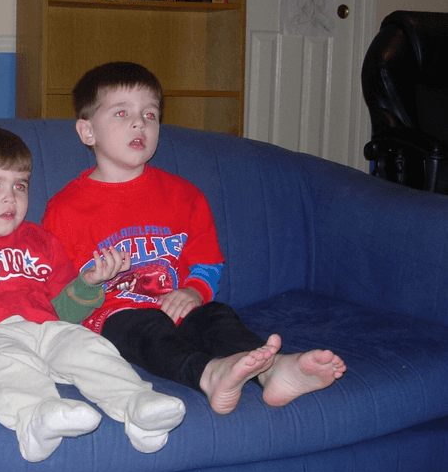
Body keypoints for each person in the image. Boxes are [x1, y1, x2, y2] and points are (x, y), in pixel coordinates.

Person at [41, 62, 347, 415]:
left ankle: (274, 370)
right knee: (144, 326)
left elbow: (208, 262)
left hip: (178, 307)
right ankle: (208, 374)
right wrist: (89, 283)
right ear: (87, 131)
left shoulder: (184, 195)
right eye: (122, 113)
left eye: (150, 114)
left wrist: (192, 291)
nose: (139, 122)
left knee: (216, 314)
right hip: (116, 321)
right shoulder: (66, 209)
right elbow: (56, 295)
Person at [0, 123, 186, 462]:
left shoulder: (41, 241)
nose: (10, 196)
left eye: (20, 185)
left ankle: (138, 408)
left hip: (45, 328)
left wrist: (88, 284)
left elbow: (64, 313)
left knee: (89, 347)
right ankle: (37, 418)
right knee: (7, 363)